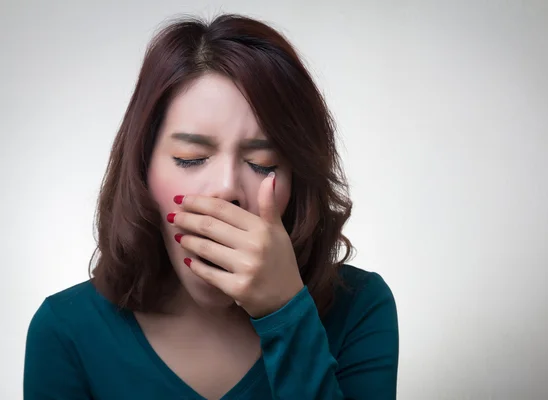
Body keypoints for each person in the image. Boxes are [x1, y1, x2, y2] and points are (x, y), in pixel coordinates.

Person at [23, 13, 399, 400]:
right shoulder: (66, 331)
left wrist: (286, 312)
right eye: (190, 157)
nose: (226, 189)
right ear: (143, 171)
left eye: (263, 163)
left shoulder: (360, 307)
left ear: (297, 181)